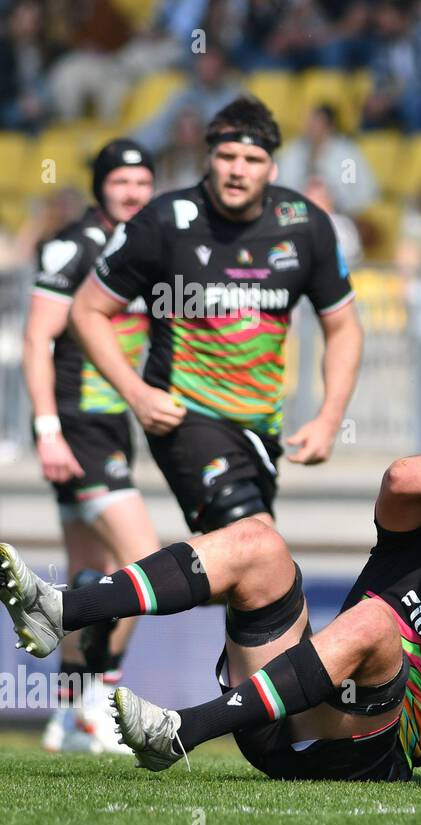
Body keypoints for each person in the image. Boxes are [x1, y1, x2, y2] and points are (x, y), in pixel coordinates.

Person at [1, 451, 421, 786]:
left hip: (364, 755)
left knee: (375, 623)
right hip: (282, 721)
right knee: (258, 542)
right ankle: (60, 610)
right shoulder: (407, 552)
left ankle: (184, 730)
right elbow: (400, 478)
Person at [70, 96, 363, 534]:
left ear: (273, 168)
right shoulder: (163, 222)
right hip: (185, 414)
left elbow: (343, 328)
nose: (237, 169)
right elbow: (86, 310)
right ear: (209, 159)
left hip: (261, 424)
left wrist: (328, 418)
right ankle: (81, 606)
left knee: (257, 583)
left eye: (252, 158)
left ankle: (94, 597)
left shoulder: (305, 225)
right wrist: (136, 393)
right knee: (253, 538)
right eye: (226, 156)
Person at [21, 139, 161, 754]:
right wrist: (47, 428)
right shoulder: (74, 245)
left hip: (112, 428)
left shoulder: (146, 246)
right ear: (100, 186)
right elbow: (35, 340)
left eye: (142, 181)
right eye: (120, 181)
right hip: (77, 426)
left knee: (92, 577)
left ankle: (66, 714)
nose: (132, 192)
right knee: (147, 564)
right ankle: (100, 702)